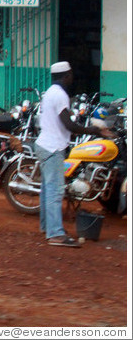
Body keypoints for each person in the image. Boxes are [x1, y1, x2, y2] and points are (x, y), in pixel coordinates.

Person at [34, 61, 114, 248]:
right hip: (52, 148)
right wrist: (94, 131)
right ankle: (55, 234)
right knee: (55, 191)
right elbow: (68, 124)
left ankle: (47, 227)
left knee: (47, 189)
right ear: (66, 76)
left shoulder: (50, 93)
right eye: (70, 74)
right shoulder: (61, 95)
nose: (72, 78)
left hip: (44, 145)